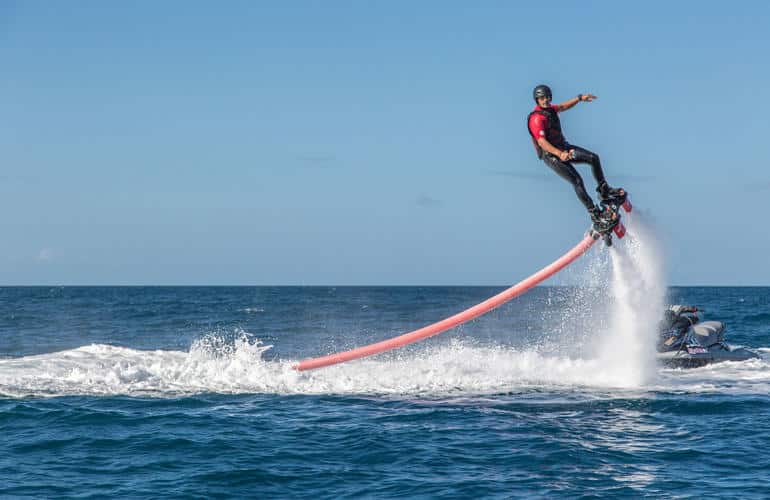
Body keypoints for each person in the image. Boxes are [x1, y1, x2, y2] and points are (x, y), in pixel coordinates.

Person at [526, 84, 625, 231]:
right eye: (542, 98)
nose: (545, 100)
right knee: (577, 180)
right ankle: (594, 213)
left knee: (593, 158)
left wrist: (579, 99)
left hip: (564, 147)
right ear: (537, 100)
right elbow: (542, 142)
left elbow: (563, 107)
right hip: (551, 156)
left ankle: (604, 191)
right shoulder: (536, 119)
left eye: (547, 97)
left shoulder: (550, 110)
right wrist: (560, 154)